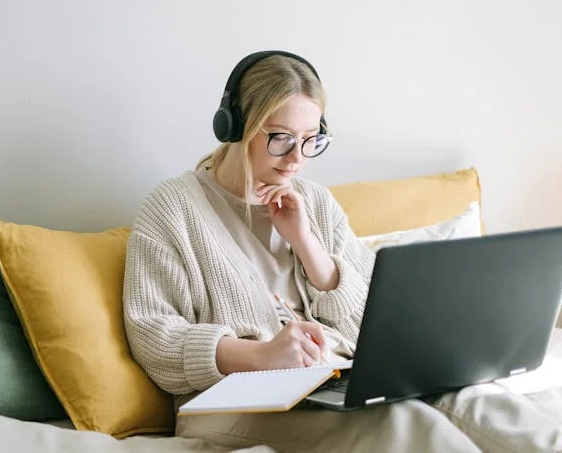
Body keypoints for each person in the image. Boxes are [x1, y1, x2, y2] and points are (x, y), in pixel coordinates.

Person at [122, 50, 562, 452]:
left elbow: (373, 317)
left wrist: (308, 246)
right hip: (228, 405)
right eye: (280, 138)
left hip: (334, 379)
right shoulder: (172, 208)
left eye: (310, 139)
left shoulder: (313, 202)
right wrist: (259, 355)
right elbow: (153, 336)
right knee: (408, 426)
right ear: (237, 127)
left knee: (479, 402)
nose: (297, 158)